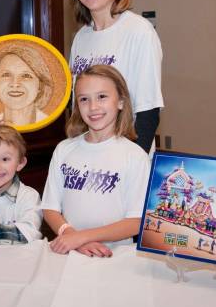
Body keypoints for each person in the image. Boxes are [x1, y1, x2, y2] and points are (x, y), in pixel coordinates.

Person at [41, 65, 149, 257]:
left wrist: (81, 237)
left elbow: (137, 220)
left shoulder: (135, 156)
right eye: (84, 99)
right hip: (70, 252)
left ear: (121, 102)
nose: (93, 107)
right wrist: (71, 236)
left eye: (102, 97)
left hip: (116, 257)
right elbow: (50, 207)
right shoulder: (64, 149)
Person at [67, 0, 163, 154]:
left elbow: (148, 112)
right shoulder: (81, 38)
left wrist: (130, 165)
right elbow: (76, 108)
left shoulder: (139, 31)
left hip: (125, 160)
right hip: (90, 159)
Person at [0, 44, 52, 126]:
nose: (15, 84)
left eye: (26, 76)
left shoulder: (53, 127)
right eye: (6, 74)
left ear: (41, 86)